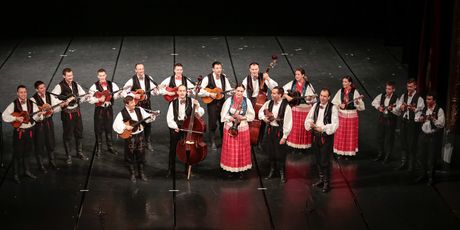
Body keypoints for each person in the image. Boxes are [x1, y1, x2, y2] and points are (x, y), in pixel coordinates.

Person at [2, 85, 44, 183]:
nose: (23, 94)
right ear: (17, 93)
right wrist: (16, 118)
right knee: (17, 154)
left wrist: (39, 115)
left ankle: (27, 171)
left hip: (29, 131)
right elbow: (4, 116)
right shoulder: (14, 104)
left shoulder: (31, 103)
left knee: (27, 152)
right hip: (19, 133)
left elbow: (36, 118)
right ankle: (16, 174)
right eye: (21, 92)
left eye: (25, 92)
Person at [113, 96, 157, 182]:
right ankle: (132, 174)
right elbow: (115, 125)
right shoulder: (122, 113)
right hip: (130, 137)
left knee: (141, 154)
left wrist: (152, 116)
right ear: (126, 104)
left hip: (140, 135)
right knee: (130, 155)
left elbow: (147, 118)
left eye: (134, 102)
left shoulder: (139, 109)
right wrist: (125, 126)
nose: (134, 104)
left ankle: (141, 173)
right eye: (132, 103)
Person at [51, 68, 90, 165]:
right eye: (68, 76)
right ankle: (68, 155)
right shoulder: (59, 86)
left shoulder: (75, 84)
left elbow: (81, 95)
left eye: (71, 75)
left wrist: (85, 97)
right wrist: (64, 102)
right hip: (67, 114)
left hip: (77, 112)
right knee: (68, 135)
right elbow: (52, 98)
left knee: (79, 132)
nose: (71, 77)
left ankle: (79, 153)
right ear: (64, 76)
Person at [166, 85, 204, 177]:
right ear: (177, 92)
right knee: (173, 149)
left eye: (184, 91)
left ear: (186, 92)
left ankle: (187, 169)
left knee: (188, 149)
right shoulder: (173, 103)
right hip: (176, 128)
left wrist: (197, 106)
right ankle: (171, 170)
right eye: (180, 91)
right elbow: (169, 118)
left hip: (188, 128)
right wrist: (175, 126)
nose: (182, 92)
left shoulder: (192, 101)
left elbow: (200, 114)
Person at [305, 88, 339, 192]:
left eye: (325, 96)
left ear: (329, 97)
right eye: (321, 95)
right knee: (318, 159)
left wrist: (323, 128)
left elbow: (335, 125)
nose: (322, 98)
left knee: (325, 161)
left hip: (325, 137)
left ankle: (326, 183)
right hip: (316, 136)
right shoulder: (315, 105)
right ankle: (321, 179)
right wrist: (310, 124)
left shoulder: (332, 108)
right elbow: (309, 117)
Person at [220, 84, 255, 178]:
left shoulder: (247, 101)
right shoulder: (229, 100)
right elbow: (223, 114)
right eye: (238, 91)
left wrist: (243, 117)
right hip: (230, 127)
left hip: (242, 127)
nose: (239, 93)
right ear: (235, 90)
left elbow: (252, 116)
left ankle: (241, 170)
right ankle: (230, 170)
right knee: (230, 149)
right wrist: (230, 118)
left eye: (241, 91)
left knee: (241, 149)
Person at [258, 86, 292, 183]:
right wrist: (264, 118)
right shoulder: (269, 103)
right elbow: (260, 112)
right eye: (272, 93)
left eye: (274, 93)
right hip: (270, 130)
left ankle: (282, 173)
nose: (272, 95)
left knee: (280, 153)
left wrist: (284, 137)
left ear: (280, 95)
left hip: (279, 131)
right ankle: (272, 171)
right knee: (271, 151)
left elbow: (288, 122)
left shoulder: (286, 107)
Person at [123, 63, 159, 152]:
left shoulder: (149, 78)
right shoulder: (132, 80)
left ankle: (148, 142)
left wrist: (156, 91)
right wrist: (134, 96)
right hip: (138, 105)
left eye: (142, 69)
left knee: (148, 123)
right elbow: (124, 92)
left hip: (147, 103)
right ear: (135, 70)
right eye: (139, 69)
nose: (141, 71)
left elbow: (155, 92)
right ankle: (139, 142)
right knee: (139, 122)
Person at [88, 68, 123, 158]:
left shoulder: (112, 84)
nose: (102, 77)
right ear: (97, 76)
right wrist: (98, 99)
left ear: (106, 75)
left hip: (109, 110)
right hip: (99, 110)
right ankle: (99, 148)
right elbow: (89, 99)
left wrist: (120, 93)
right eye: (100, 76)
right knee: (98, 129)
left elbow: (116, 96)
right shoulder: (94, 86)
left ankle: (110, 147)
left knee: (108, 128)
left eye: (103, 75)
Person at [242, 62, 278, 148]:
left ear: (258, 69)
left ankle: (260, 142)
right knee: (250, 121)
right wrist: (247, 104)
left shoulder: (264, 77)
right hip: (251, 101)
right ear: (250, 70)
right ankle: (250, 140)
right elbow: (243, 93)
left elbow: (275, 87)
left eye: (256, 69)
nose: (254, 71)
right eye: (253, 69)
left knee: (262, 122)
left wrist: (268, 78)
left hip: (263, 101)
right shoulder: (246, 79)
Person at [198, 61, 233, 150]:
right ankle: (212, 141)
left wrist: (233, 92)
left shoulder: (224, 78)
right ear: (213, 69)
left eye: (220, 68)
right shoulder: (207, 78)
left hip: (222, 102)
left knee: (223, 121)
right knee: (213, 122)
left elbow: (228, 89)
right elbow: (200, 91)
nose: (219, 70)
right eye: (217, 68)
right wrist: (210, 94)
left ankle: (224, 140)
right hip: (212, 103)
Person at [31, 80, 61, 172]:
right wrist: (41, 115)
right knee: (39, 143)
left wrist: (54, 110)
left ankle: (52, 162)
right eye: (41, 88)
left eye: (44, 87)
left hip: (48, 122)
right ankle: (41, 165)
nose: (43, 89)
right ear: (36, 90)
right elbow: (34, 116)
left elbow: (57, 104)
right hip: (39, 125)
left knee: (50, 141)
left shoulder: (49, 95)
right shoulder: (33, 100)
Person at [283, 67, 316, 152]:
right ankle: (293, 146)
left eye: (298, 74)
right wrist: (287, 96)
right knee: (294, 127)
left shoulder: (308, 85)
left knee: (303, 128)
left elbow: (313, 99)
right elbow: (281, 90)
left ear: (303, 75)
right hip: (295, 109)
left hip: (305, 110)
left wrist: (309, 99)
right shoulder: (292, 83)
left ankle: (303, 146)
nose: (296, 76)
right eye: (295, 74)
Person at [331, 75, 365, 158]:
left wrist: (357, 103)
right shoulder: (341, 91)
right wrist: (339, 105)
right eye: (343, 82)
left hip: (351, 116)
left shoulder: (354, 92)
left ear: (350, 83)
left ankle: (348, 154)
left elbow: (361, 107)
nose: (343, 83)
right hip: (342, 115)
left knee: (350, 134)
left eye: (345, 82)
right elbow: (334, 102)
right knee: (341, 133)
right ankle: (341, 152)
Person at [415, 92, 444, 185]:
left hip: (432, 137)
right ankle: (423, 175)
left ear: (434, 100)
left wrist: (433, 119)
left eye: (429, 99)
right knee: (421, 156)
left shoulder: (439, 110)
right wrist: (420, 119)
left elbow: (441, 124)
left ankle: (431, 178)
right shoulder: (424, 108)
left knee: (431, 158)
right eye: (427, 99)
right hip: (423, 135)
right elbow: (416, 118)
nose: (427, 101)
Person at [395, 78, 424, 171]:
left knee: (411, 144)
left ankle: (411, 165)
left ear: (415, 87)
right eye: (408, 86)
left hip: (412, 124)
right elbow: (398, 106)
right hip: (404, 122)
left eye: (411, 87)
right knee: (403, 142)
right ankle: (404, 163)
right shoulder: (404, 96)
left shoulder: (419, 98)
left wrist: (413, 109)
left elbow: (421, 110)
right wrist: (401, 106)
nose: (409, 88)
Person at [371, 81, 399, 164]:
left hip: (390, 121)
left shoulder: (396, 98)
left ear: (393, 89)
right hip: (382, 119)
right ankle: (380, 154)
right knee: (380, 137)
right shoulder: (382, 95)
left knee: (389, 139)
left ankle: (388, 156)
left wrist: (392, 109)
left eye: (389, 89)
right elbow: (374, 102)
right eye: (387, 88)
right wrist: (379, 107)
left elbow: (398, 112)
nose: (387, 90)